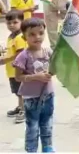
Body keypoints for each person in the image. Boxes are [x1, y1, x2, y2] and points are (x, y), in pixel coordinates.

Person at [13, 18, 54, 152]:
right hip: (31, 98)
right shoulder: (23, 56)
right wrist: (36, 77)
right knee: (33, 125)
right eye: (32, 34)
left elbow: (55, 68)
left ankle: (47, 147)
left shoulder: (48, 52)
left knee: (47, 123)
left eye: (41, 33)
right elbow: (18, 77)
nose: (37, 37)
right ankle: (31, 149)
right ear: (24, 36)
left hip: (48, 95)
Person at [0, 10, 26, 124]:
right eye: (8, 23)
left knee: (22, 91)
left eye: (15, 22)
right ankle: (20, 107)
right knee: (17, 91)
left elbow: (20, 53)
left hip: (18, 70)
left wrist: (5, 59)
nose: (11, 25)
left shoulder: (20, 37)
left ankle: (24, 110)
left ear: (22, 22)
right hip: (12, 70)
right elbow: (12, 50)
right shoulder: (11, 36)